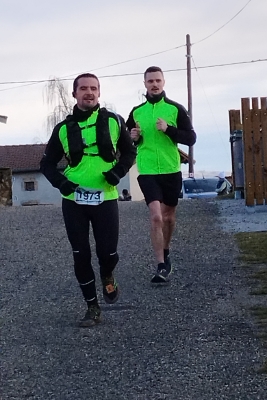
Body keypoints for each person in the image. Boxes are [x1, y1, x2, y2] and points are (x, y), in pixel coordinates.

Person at [40, 73, 136, 327]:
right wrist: (62, 183)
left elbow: (129, 152)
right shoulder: (62, 129)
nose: (89, 93)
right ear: (75, 94)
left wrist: (117, 173)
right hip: (74, 200)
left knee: (108, 252)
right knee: (80, 254)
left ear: (99, 93)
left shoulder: (114, 121)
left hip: (106, 197)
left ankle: (107, 274)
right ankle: (92, 307)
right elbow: (47, 164)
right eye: (83, 89)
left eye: (94, 88)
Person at [126, 66, 196, 283]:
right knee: (156, 216)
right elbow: (129, 141)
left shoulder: (175, 109)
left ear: (163, 82)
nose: (154, 84)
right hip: (147, 170)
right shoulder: (137, 112)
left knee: (168, 217)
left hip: (170, 169)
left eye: (157, 80)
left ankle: (166, 251)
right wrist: (133, 136)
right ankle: (160, 265)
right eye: (150, 81)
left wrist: (169, 130)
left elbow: (191, 138)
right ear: (144, 84)